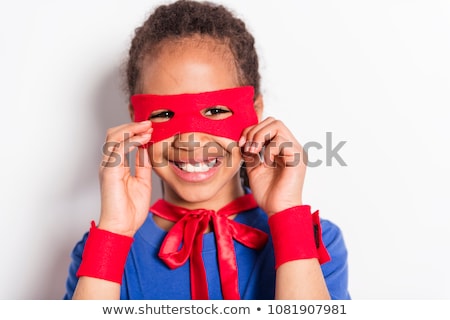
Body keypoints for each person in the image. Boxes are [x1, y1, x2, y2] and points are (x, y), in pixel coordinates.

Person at [63, 0, 350, 300]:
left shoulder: (316, 245)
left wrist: (288, 216)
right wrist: (113, 233)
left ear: (255, 112)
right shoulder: (98, 254)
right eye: (164, 114)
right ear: (136, 122)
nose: (191, 139)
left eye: (214, 110)